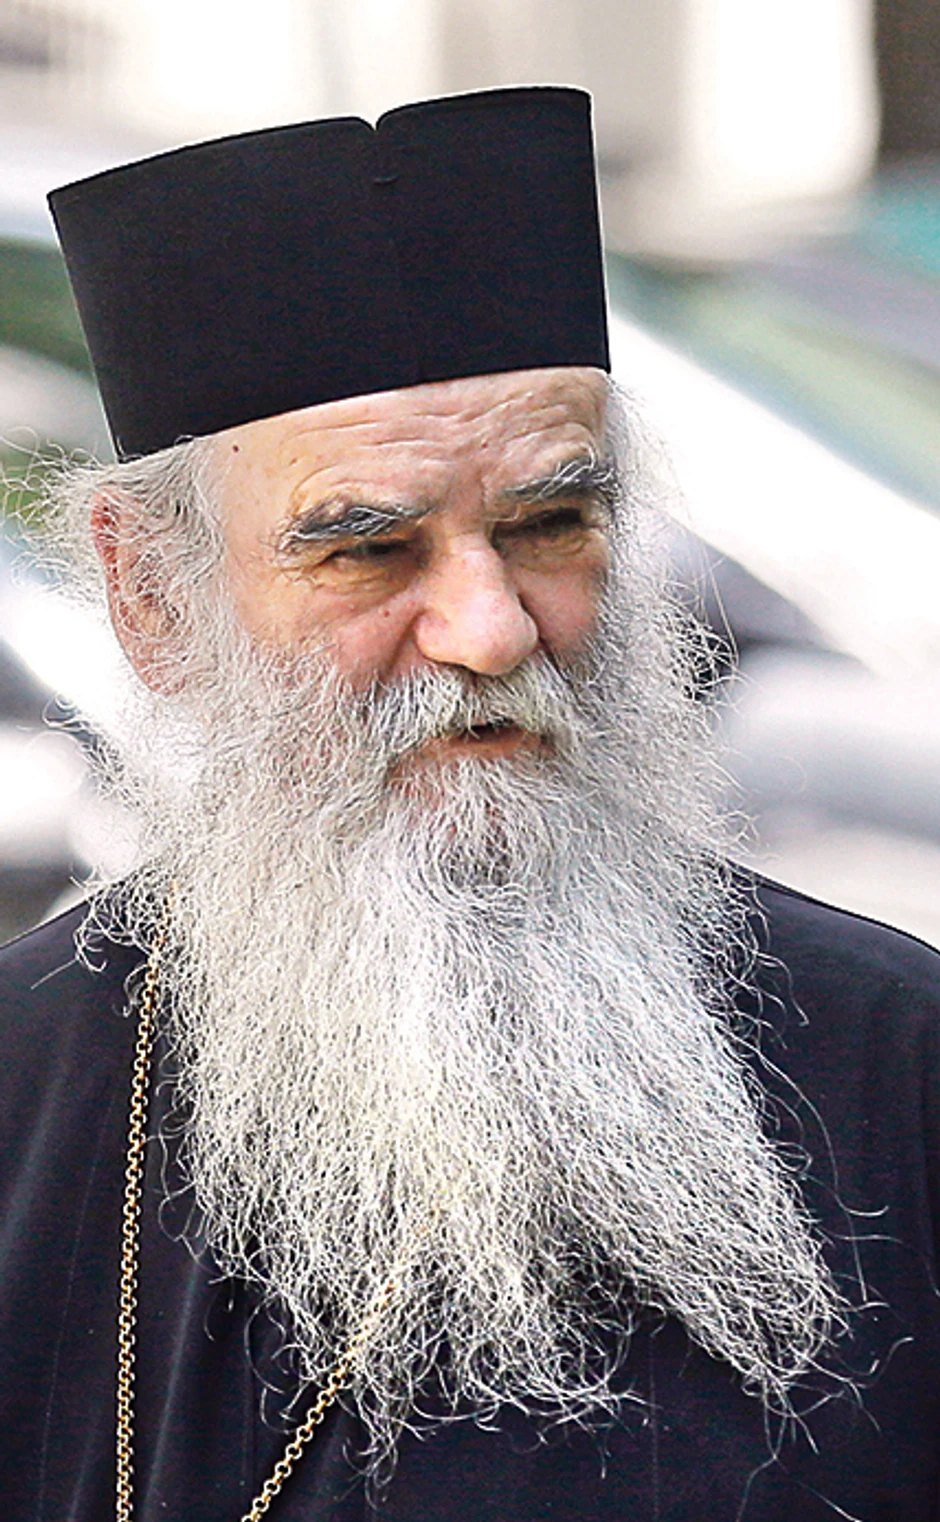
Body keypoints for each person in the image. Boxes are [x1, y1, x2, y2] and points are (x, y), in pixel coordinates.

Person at [1, 87, 939, 1522]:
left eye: (550, 525)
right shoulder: (24, 1081)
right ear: (151, 598)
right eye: (369, 549)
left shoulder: (901, 1064)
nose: (493, 633)